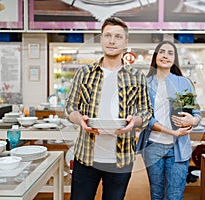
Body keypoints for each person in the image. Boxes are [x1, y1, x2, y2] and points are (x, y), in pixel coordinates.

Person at [64, 17, 152, 200]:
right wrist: (80, 119)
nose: (112, 41)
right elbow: (70, 107)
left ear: (126, 42)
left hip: (121, 160)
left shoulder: (137, 76)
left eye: (118, 36)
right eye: (108, 35)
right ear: (101, 39)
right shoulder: (84, 73)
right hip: (86, 157)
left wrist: (134, 122)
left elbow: (146, 111)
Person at [142, 41, 201, 200]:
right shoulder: (145, 84)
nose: (165, 56)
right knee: (156, 195)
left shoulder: (183, 82)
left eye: (170, 53)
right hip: (153, 147)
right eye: (162, 52)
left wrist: (192, 120)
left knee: (175, 196)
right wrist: (171, 131)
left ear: (174, 59)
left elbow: (196, 113)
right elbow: (144, 118)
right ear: (155, 56)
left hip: (178, 149)